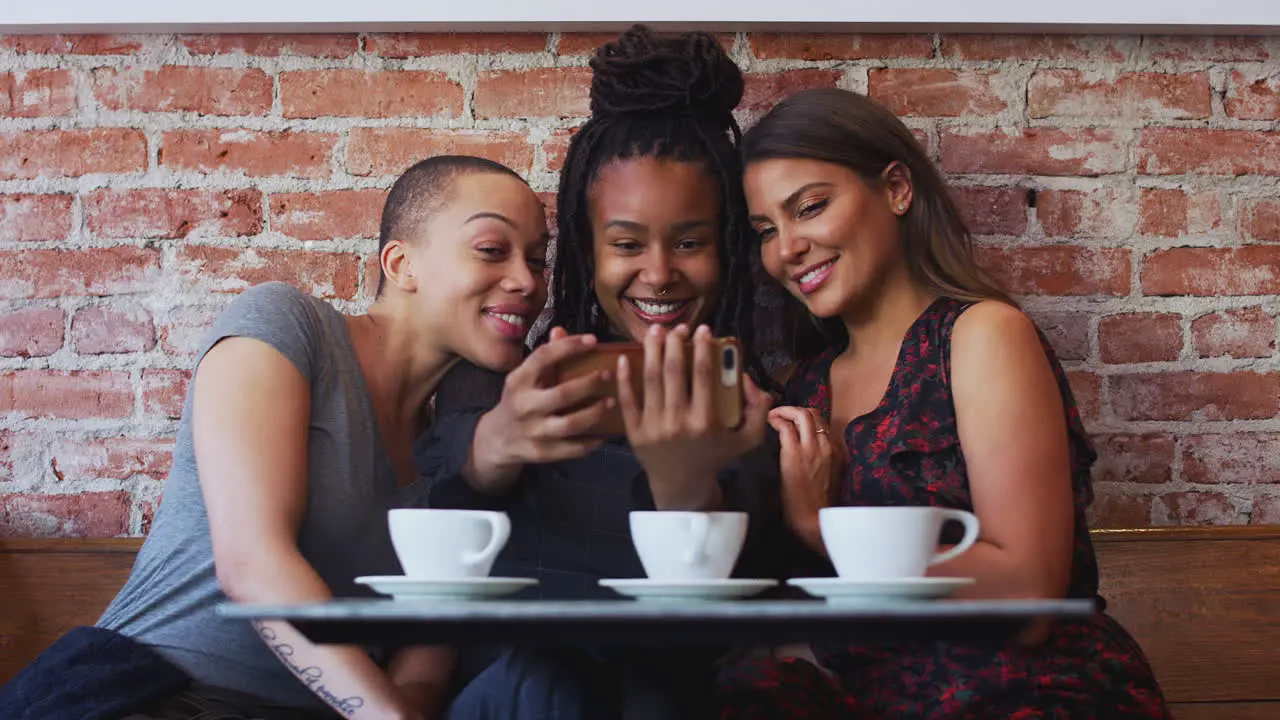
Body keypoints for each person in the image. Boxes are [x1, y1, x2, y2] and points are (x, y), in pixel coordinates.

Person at [0, 155, 552, 720]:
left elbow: (424, 661)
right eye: (492, 250)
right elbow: (252, 565)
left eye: (539, 260)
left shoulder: (458, 456)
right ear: (401, 262)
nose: (527, 281)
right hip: (148, 696)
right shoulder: (286, 324)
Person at [417, 25, 848, 720]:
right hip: (520, 696)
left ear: (730, 247)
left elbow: (726, 635)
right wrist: (493, 448)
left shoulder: (761, 417)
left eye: (689, 242)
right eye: (625, 243)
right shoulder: (500, 383)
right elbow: (430, 531)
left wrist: (686, 483)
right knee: (552, 674)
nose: (657, 274)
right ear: (588, 250)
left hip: (666, 699)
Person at [742, 87, 1172, 718]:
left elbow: (1028, 595)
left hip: (1022, 691)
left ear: (896, 189)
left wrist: (821, 526)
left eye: (809, 208)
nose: (785, 249)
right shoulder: (804, 389)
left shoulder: (980, 337)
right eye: (765, 231)